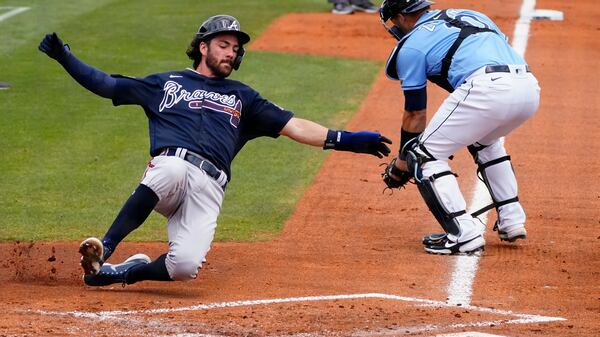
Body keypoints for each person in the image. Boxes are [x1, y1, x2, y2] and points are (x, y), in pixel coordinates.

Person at [38, 15, 392, 286]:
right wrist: (65, 57)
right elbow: (107, 84)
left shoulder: (244, 96)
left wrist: (348, 140)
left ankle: (117, 273)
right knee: (172, 167)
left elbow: (294, 126)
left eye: (235, 48)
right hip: (170, 173)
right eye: (224, 44)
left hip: (209, 188)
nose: (231, 52)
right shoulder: (165, 83)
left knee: (184, 267)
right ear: (203, 46)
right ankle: (107, 246)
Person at [379, 0, 540, 254]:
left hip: (487, 88)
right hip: (528, 87)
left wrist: (403, 161)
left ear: (399, 16)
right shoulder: (469, 14)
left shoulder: (411, 47)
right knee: (485, 142)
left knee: (423, 155)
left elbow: (415, 113)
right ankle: (512, 219)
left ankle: (463, 234)